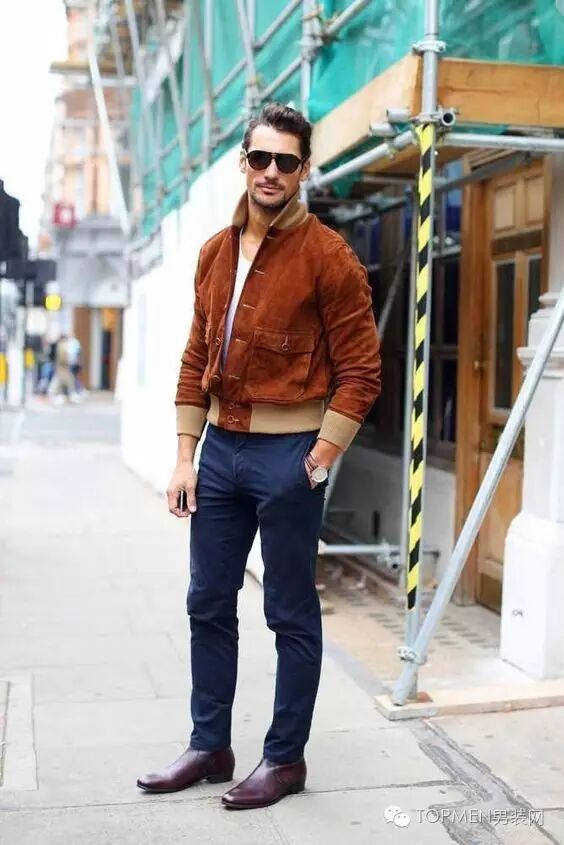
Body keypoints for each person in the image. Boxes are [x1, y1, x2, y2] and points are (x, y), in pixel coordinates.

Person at [137, 103, 381, 809]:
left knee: (290, 612)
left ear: (304, 170)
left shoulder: (329, 258)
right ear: (243, 163)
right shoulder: (214, 252)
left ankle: (284, 759)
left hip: (290, 456)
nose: (271, 172)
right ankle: (209, 745)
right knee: (208, 600)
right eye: (260, 158)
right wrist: (184, 456)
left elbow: (362, 371)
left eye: (286, 161)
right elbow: (195, 358)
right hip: (219, 453)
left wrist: (320, 456)